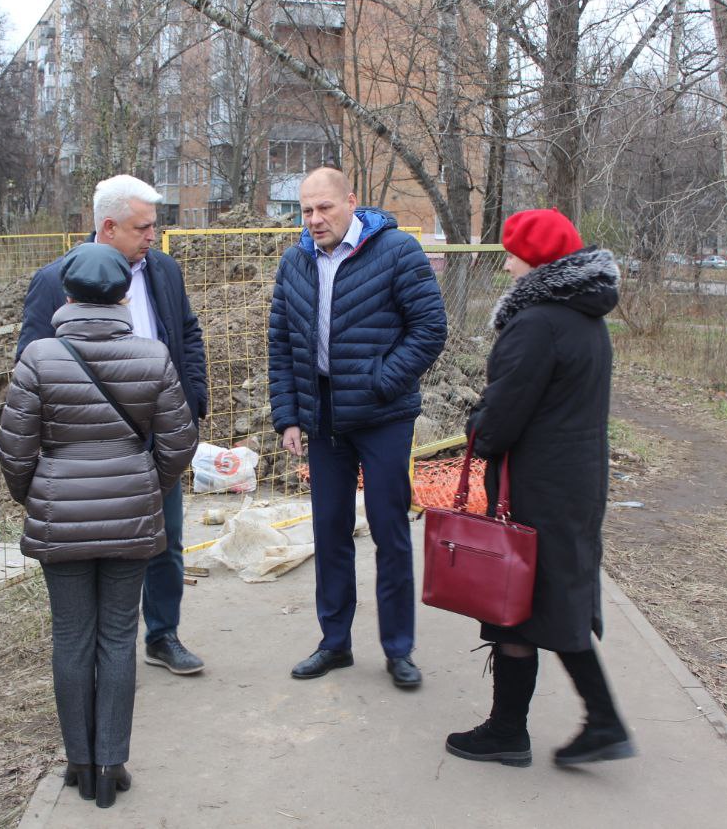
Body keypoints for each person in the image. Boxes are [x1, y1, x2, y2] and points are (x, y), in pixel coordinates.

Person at [0, 243, 198, 808]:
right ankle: (112, 765)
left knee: (70, 638)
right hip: (130, 516)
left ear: (66, 296)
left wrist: (40, 495)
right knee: (117, 638)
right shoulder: (152, 356)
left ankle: (79, 765)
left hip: (60, 517)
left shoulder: (38, 357)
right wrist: (145, 485)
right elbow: (181, 443)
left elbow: (14, 453)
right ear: (123, 296)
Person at [446, 208, 634, 768]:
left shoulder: (536, 324)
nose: (505, 262)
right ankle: (525, 728)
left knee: (524, 599)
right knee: (539, 603)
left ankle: (578, 724)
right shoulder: (586, 319)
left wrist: (476, 427)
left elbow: (499, 421)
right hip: (574, 482)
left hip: (536, 487)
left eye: (511, 251)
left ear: (534, 258)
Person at [17, 174, 208, 676]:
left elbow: (186, 333)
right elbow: (29, 365)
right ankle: (101, 650)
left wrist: (193, 402)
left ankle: (162, 636)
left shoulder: (163, 270)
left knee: (165, 540)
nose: (153, 236)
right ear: (108, 226)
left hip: (155, 431)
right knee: (93, 546)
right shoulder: (54, 280)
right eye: (143, 227)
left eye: (155, 226)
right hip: (86, 439)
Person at [268, 167, 447, 689]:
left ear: (351, 201)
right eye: (305, 210)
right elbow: (280, 342)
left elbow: (430, 329)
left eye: (324, 207)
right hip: (322, 417)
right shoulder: (296, 261)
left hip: (383, 415)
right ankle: (334, 642)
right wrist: (289, 415)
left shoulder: (397, 252)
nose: (315, 219)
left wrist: (380, 382)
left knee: (390, 532)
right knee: (329, 530)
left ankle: (398, 649)